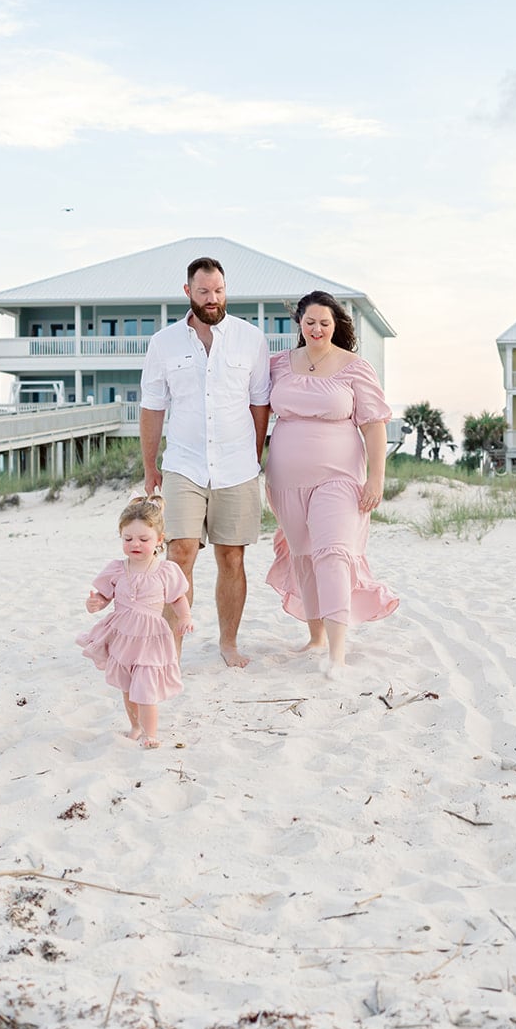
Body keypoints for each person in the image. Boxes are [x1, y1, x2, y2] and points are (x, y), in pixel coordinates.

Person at [138, 256, 271, 668]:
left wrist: (255, 457)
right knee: (179, 553)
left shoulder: (252, 339)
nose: (213, 299)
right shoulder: (163, 343)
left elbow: (260, 402)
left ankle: (228, 644)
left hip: (237, 466)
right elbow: (152, 407)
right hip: (184, 464)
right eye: (204, 292)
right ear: (187, 292)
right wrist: (149, 467)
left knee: (232, 557)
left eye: (219, 291)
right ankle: (170, 651)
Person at [264, 290, 398, 675]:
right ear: (299, 325)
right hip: (286, 479)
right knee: (304, 555)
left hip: (340, 477)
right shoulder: (278, 365)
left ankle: (337, 653)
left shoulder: (355, 367)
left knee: (334, 553)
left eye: (325, 322)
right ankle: (316, 636)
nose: (317, 329)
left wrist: (376, 478)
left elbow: (374, 426)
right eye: (310, 322)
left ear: (336, 325)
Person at [77, 497, 194, 748]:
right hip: (123, 635)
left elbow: (178, 598)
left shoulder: (165, 571)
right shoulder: (117, 569)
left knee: (145, 686)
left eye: (143, 539)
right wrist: (95, 603)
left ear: (159, 540)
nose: (135, 544)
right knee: (128, 685)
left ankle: (150, 733)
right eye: (128, 539)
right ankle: (135, 726)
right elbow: (103, 596)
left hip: (151, 637)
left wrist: (185, 617)